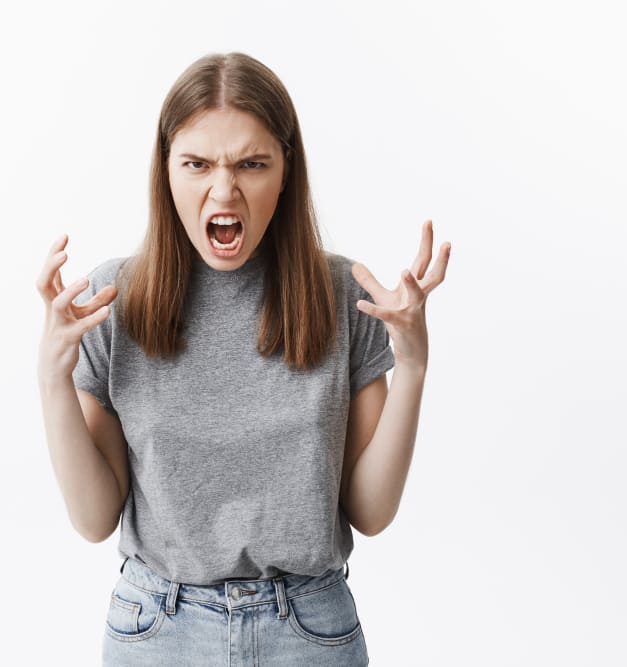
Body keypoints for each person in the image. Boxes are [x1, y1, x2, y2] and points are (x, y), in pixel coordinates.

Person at [35, 51, 450, 666]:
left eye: (252, 164)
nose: (223, 189)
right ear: (166, 170)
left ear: (285, 173)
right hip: (159, 632)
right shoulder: (115, 302)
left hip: (310, 634)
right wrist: (52, 378)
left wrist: (411, 364)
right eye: (197, 163)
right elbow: (95, 519)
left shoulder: (344, 299)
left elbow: (371, 511)